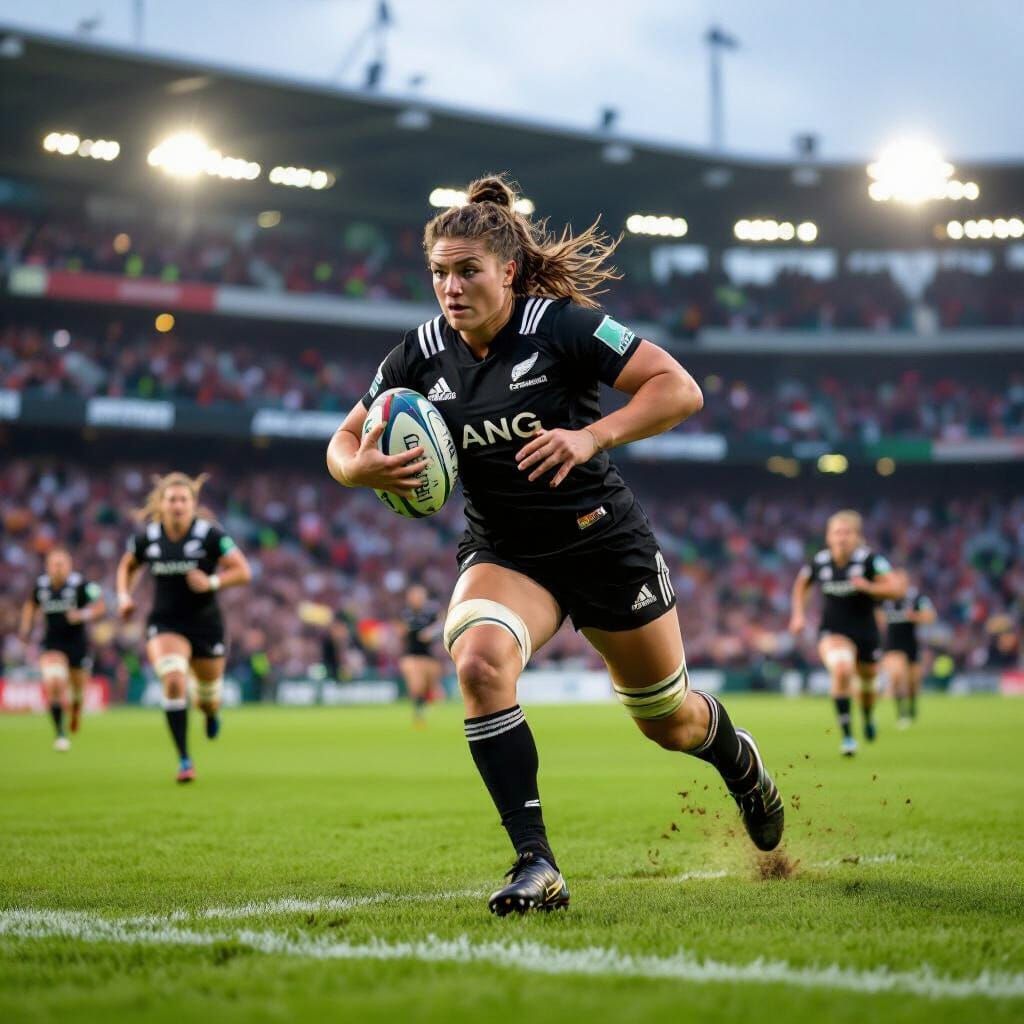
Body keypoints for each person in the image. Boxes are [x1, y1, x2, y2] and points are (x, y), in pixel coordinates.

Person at [327, 174, 784, 916]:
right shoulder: (418, 354)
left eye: (467, 269)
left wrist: (591, 434)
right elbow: (342, 442)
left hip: (602, 544)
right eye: (439, 271)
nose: (450, 286)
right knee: (477, 662)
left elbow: (679, 389)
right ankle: (536, 863)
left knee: (667, 720)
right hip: (508, 553)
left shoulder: (564, 326)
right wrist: (359, 466)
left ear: (506, 270)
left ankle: (741, 765)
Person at [115, 472, 251, 783]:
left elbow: (243, 571)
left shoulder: (210, 535)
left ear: (193, 504)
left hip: (206, 625)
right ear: (161, 504)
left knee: (207, 698)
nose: (177, 504)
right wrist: (124, 596)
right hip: (166, 622)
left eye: (183, 499)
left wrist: (213, 580)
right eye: (171, 499)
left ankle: (211, 713)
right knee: (174, 679)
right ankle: (184, 760)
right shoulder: (147, 537)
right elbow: (127, 565)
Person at [789, 510, 905, 756]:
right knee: (841, 670)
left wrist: (869, 587)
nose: (841, 538)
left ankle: (867, 716)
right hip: (833, 631)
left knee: (867, 686)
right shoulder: (819, 561)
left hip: (866, 632)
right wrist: (798, 614)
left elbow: (895, 589)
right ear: (828, 537)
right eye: (836, 533)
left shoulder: (871, 560)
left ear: (857, 537)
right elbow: (801, 585)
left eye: (847, 533)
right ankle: (848, 737)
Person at [18, 547, 105, 750]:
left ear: (69, 566)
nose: (58, 568)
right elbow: (31, 605)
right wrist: (25, 627)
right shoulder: (41, 586)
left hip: (77, 645)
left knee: (77, 693)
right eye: (54, 564)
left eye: (62, 564)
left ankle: (75, 709)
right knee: (54, 682)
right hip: (52, 643)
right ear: (47, 566)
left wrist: (81, 615)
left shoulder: (81, 585)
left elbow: (100, 607)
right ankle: (60, 733)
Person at [880, 572, 936, 727]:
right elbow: (875, 616)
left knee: (912, 683)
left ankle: (911, 708)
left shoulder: (917, 599)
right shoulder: (885, 599)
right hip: (891, 646)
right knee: (897, 676)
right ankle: (901, 713)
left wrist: (915, 617)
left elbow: (931, 616)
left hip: (911, 645)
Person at [397, 583, 443, 726]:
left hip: (429, 656)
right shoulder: (404, 614)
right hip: (411, 656)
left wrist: (431, 632)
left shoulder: (431, 614)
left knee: (431, 690)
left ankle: (422, 709)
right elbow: (399, 633)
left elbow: (442, 625)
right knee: (416, 685)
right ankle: (418, 716)